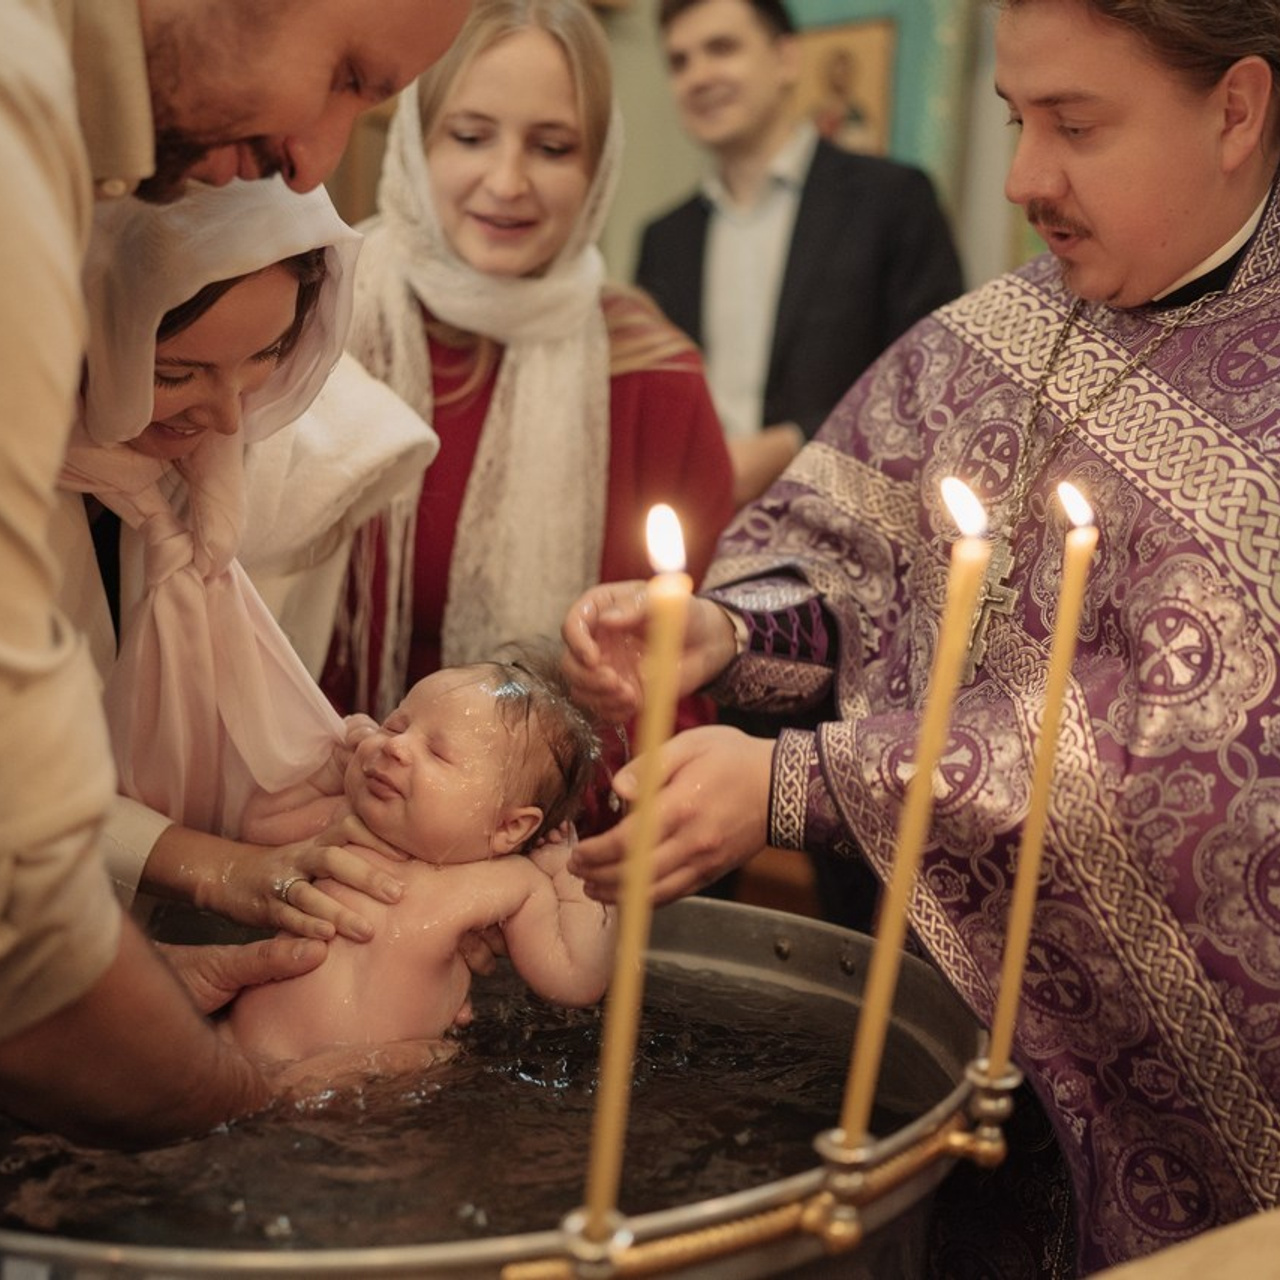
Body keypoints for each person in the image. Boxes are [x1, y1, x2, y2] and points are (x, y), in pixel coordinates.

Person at [560, 0, 1280, 1271]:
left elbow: (1193, 767)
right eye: (1012, 120)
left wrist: (802, 782)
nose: (1020, 180)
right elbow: (859, 560)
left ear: (1235, 109)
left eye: (1073, 125)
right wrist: (729, 632)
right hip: (923, 1036)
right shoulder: (998, 330)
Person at [0, 0, 470, 1146]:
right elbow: (23, 856)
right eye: (172, 369)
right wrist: (227, 1102)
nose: (317, 158)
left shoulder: (284, 459)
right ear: (88, 324)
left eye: (266, 361)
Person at [326, 0, 735, 832]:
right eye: (471, 136)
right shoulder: (317, 321)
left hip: (547, 840)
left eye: (551, 148)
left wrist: (617, 705)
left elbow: (695, 678)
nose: (508, 182)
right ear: (415, 139)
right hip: (303, 806)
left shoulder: (652, 375)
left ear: (597, 168)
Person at [635, 0, 964, 509]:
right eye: (679, 61)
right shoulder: (662, 239)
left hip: (847, 520)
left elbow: (935, 383)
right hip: (698, 527)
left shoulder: (892, 200)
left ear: (787, 59)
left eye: (721, 48)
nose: (698, 76)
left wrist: (792, 443)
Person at [227, 651, 615, 1061]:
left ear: (508, 828)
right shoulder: (349, 820)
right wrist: (329, 770)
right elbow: (257, 826)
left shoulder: (510, 882)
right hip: (234, 1049)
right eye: (396, 723)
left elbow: (575, 980)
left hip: (365, 1082)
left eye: (438, 753)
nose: (394, 745)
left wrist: (572, 873)